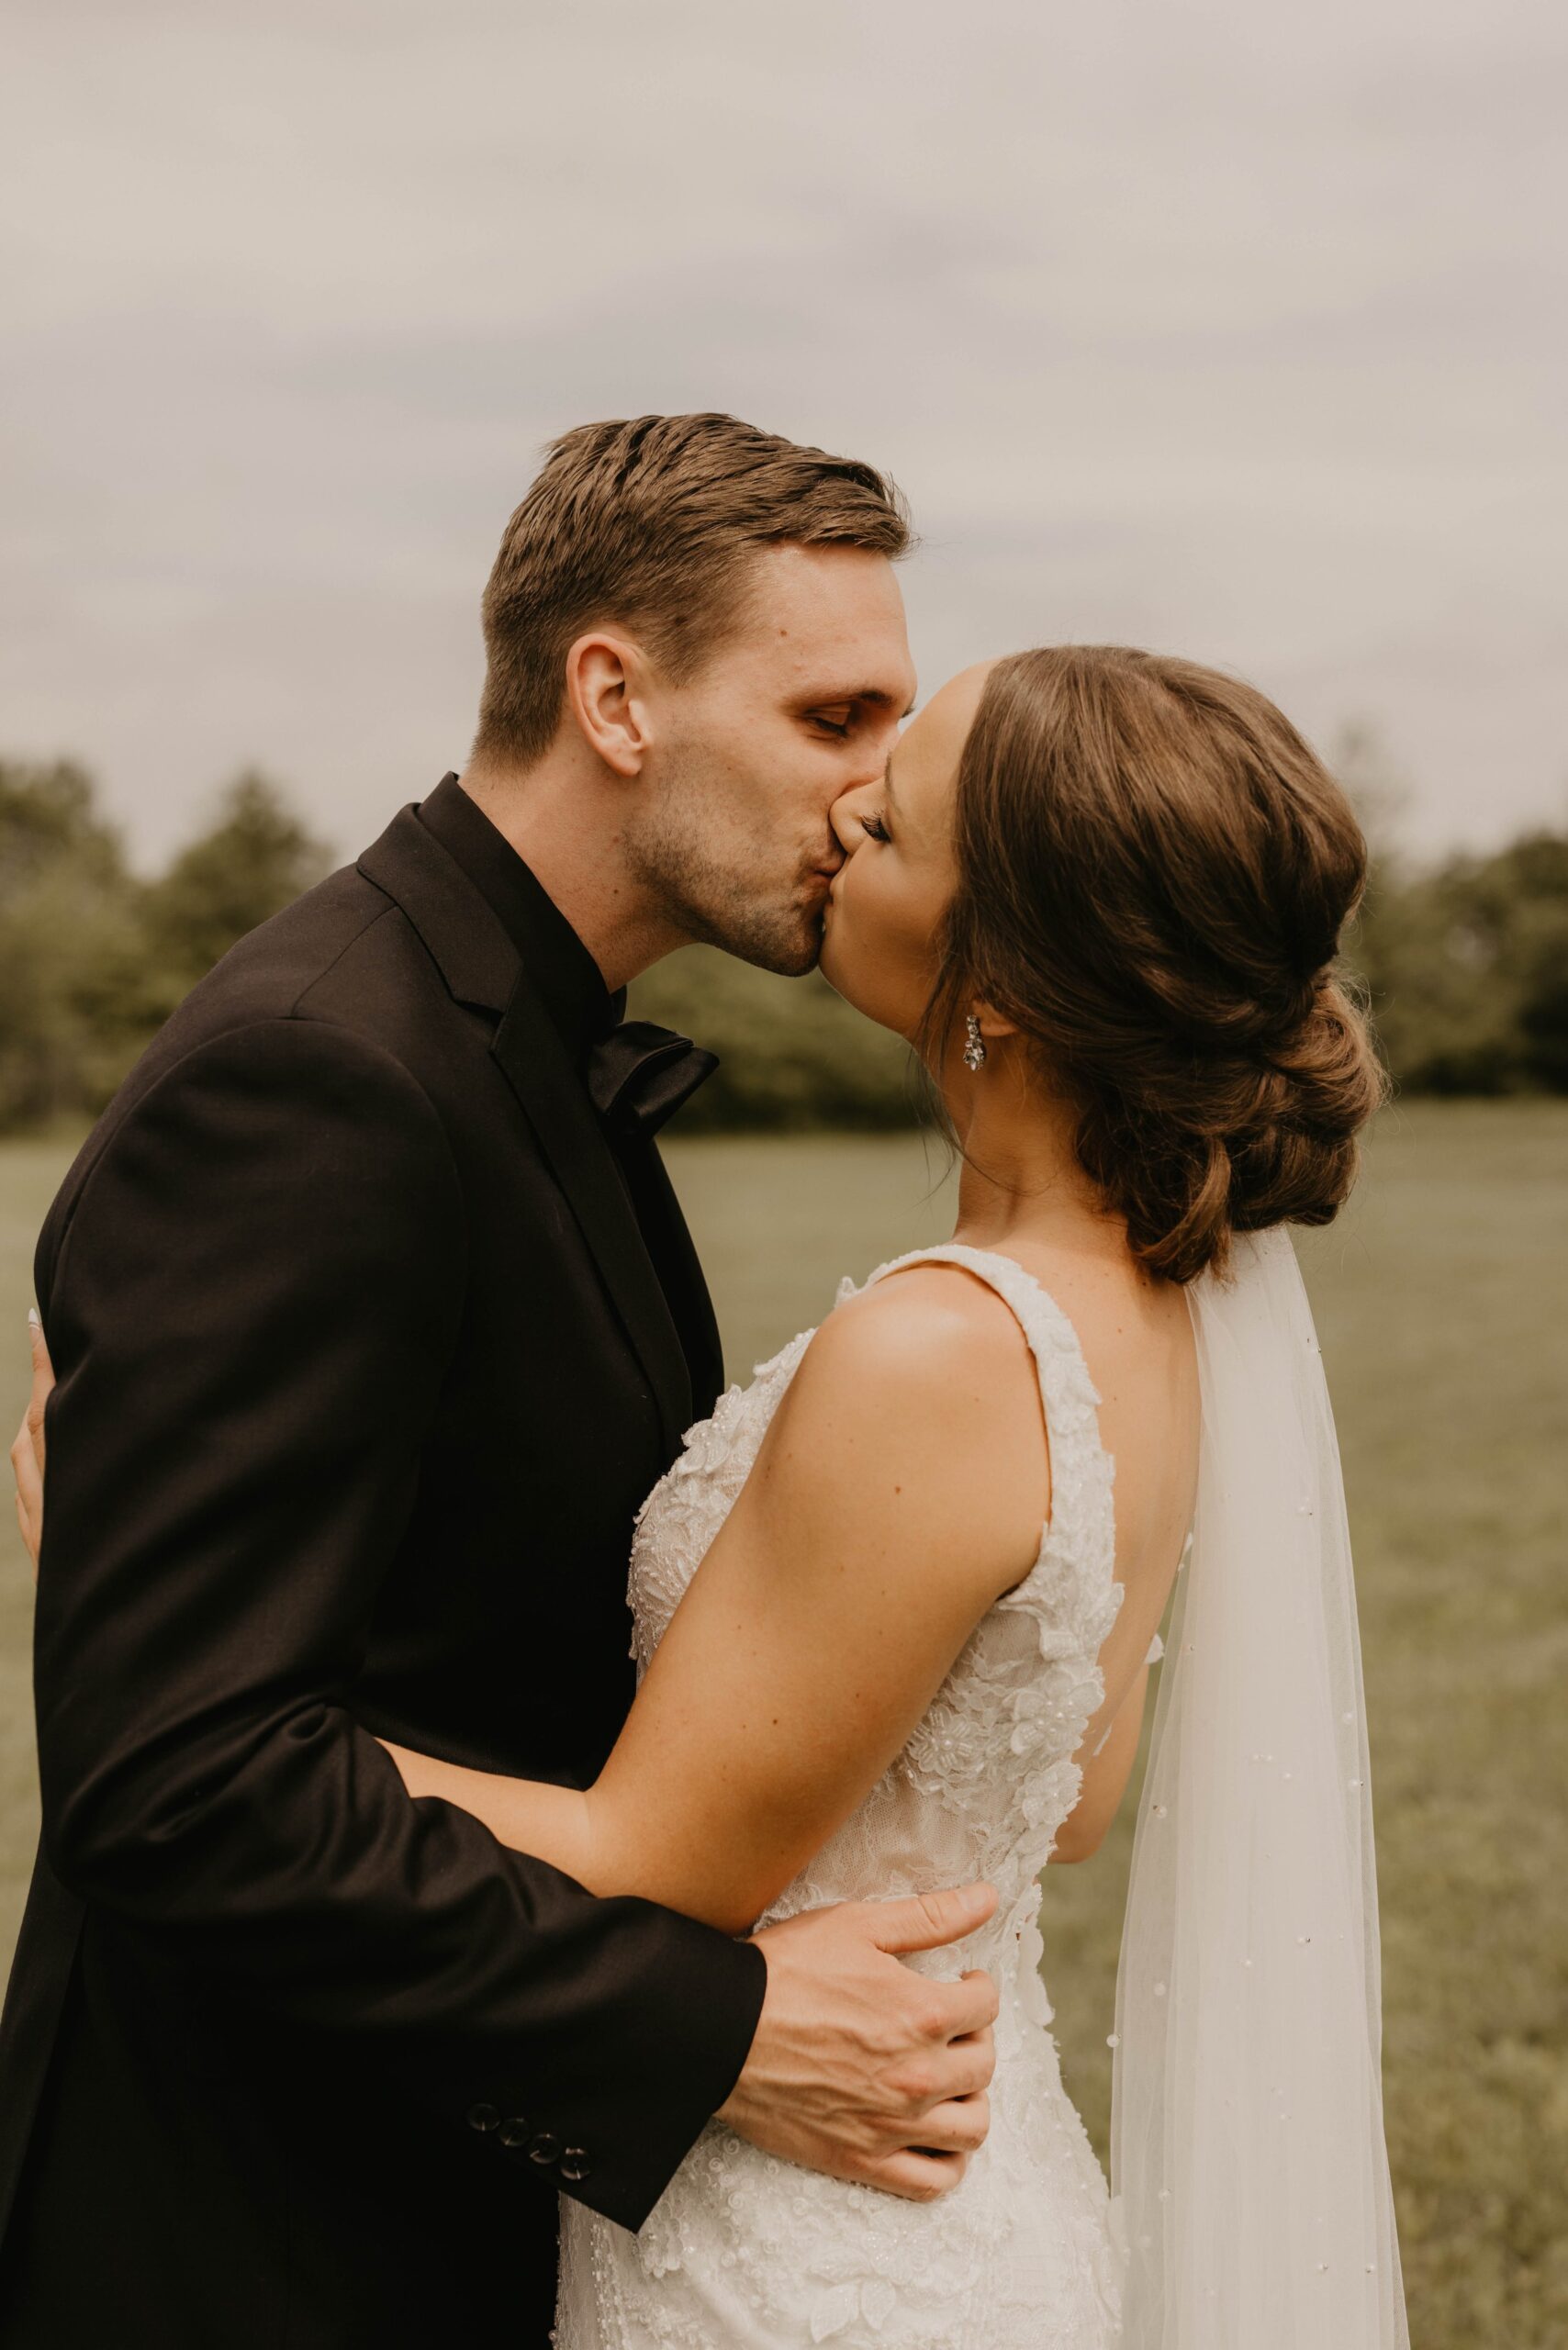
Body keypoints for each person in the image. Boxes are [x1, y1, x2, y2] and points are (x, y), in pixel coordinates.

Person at [15, 632, 1413, 2344]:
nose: (842, 821)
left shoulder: (940, 1354)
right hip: (971, 2194)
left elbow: (644, 1860)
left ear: (1015, 982)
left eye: (891, 826)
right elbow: (1064, 1797)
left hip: (804, 2246)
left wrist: (135, 1560)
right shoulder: (1156, 1302)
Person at [0, 415, 1003, 2350]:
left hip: (429, 2185)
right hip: (238, 2232)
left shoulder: (528, 1034)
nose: (874, 786)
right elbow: (177, 1783)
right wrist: (710, 2027)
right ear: (613, 695)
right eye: (829, 714)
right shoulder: (317, 1074)